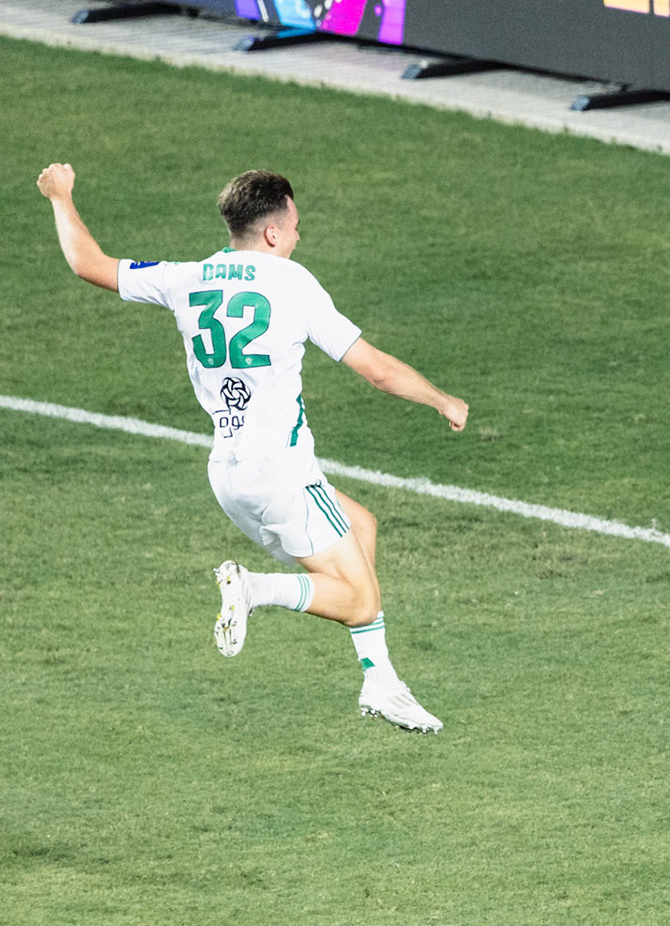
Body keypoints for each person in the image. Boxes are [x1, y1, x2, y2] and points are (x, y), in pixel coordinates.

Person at [36, 164, 467, 732]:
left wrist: (61, 197)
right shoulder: (292, 283)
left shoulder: (185, 277)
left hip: (229, 473)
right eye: (293, 227)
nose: (297, 236)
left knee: (361, 527)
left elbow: (87, 262)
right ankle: (255, 588)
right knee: (358, 599)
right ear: (271, 232)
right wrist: (442, 400)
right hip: (283, 474)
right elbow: (378, 371)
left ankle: (381, 683)